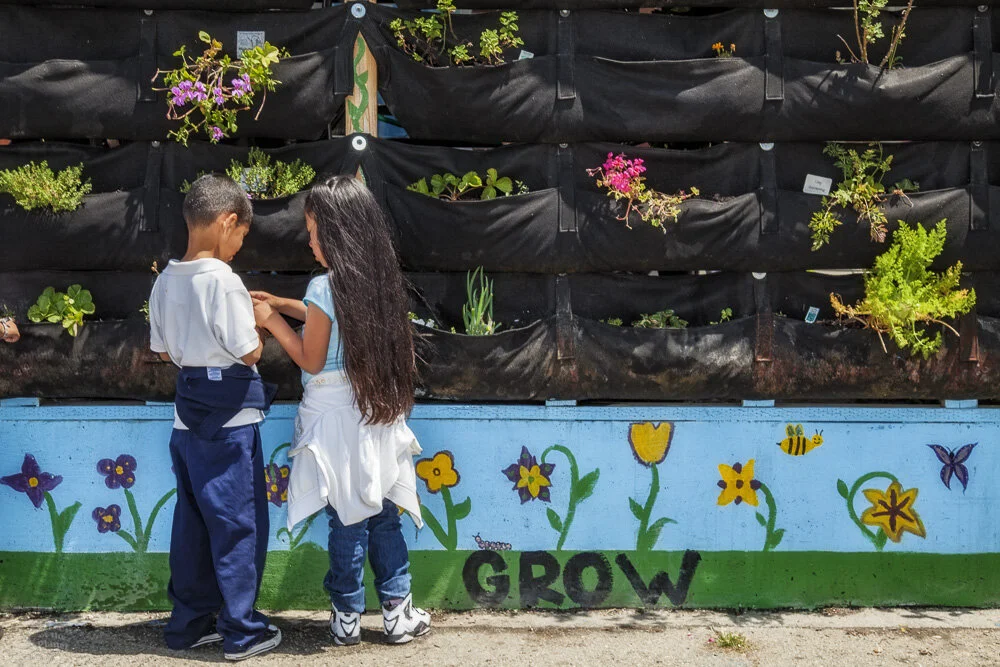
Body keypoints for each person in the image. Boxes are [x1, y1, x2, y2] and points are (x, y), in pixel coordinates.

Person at [251, 175, 430, 647]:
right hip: (377, 409)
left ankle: (346, 615)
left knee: (346, 517)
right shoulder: (378, 281)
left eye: (313, 230)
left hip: (332, 418)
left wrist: (270, 318)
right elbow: (329, 316)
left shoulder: (323, 285)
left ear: (336, 232)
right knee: (383, 513)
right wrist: (288, 304)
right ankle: (397, 613)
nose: (309, 240)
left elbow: (311, 356)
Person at [148, 174, 281, 661]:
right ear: (228, 222)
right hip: (231, 426)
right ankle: (242, 631)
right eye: (241, 237)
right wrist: (262, 326)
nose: (238, 248)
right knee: (238, 527)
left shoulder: (164, 279)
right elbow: (248, 353)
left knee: (192, 527)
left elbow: (162, 353)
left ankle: (189, 624)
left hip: (186, 424)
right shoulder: (225, 282)